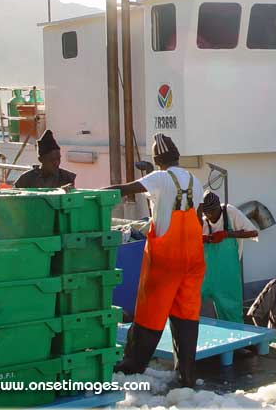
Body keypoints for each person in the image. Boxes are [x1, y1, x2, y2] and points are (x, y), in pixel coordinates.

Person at [105, 134, 205, 387]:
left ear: (158, 159)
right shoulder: (196, 181)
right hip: (193, 260)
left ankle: (134, 364)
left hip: (166, 260)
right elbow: (199, 218)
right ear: (178, 156)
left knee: (150, 311)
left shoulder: (160, 177)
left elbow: (124, 190)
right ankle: (187, 374)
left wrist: (91, 193)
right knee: (187, 314)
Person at [200, 191, 258, 323]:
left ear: (218, 208)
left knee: (232, 315)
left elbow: (253, 232)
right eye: (206, 213)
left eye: (212, 212)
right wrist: (202, 239)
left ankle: (238, 343)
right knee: (187, 304)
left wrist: (227, 235)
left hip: (228, 276)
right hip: (205, 274)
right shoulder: (202, 222)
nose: (209, 215)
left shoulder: (230, 212)